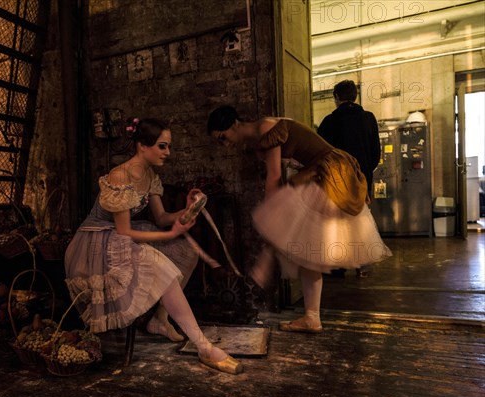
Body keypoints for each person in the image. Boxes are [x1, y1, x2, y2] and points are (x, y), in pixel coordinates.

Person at [64, 118, 243, 374]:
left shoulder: (150, 176)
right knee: (157, 264)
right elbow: (125, 231)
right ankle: (203, 346)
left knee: (186, 251)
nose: (167, 153)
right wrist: (172, 232)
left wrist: (189, 210)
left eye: (168, 146)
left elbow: (161, 219)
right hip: (96, 244)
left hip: (121, 238)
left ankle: (159, 319)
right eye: (162, 146)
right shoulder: (120, 175)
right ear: (141, 146)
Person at [207, 106, 391, 333]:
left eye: (223, 137)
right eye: (219, 142)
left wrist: (272, 218)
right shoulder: (259, 138)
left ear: (234, 124)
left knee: (291, 232)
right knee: (307, 250)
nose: (225, 144)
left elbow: (274, 178)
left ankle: (269, 261)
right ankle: (311, 317)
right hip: (316, 173)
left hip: (328, 173)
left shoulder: (267, 127)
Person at [317, 80, 381, 277]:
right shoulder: (369, 118)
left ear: (336, 98)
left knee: (337, 223)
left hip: (336, 181)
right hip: (362, 178)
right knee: (361, 219)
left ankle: (338, 266)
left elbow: (321, 153)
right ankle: (363, 265)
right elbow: (375, 152)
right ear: (355, 96)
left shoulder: (329, 121)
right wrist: (364, 173)